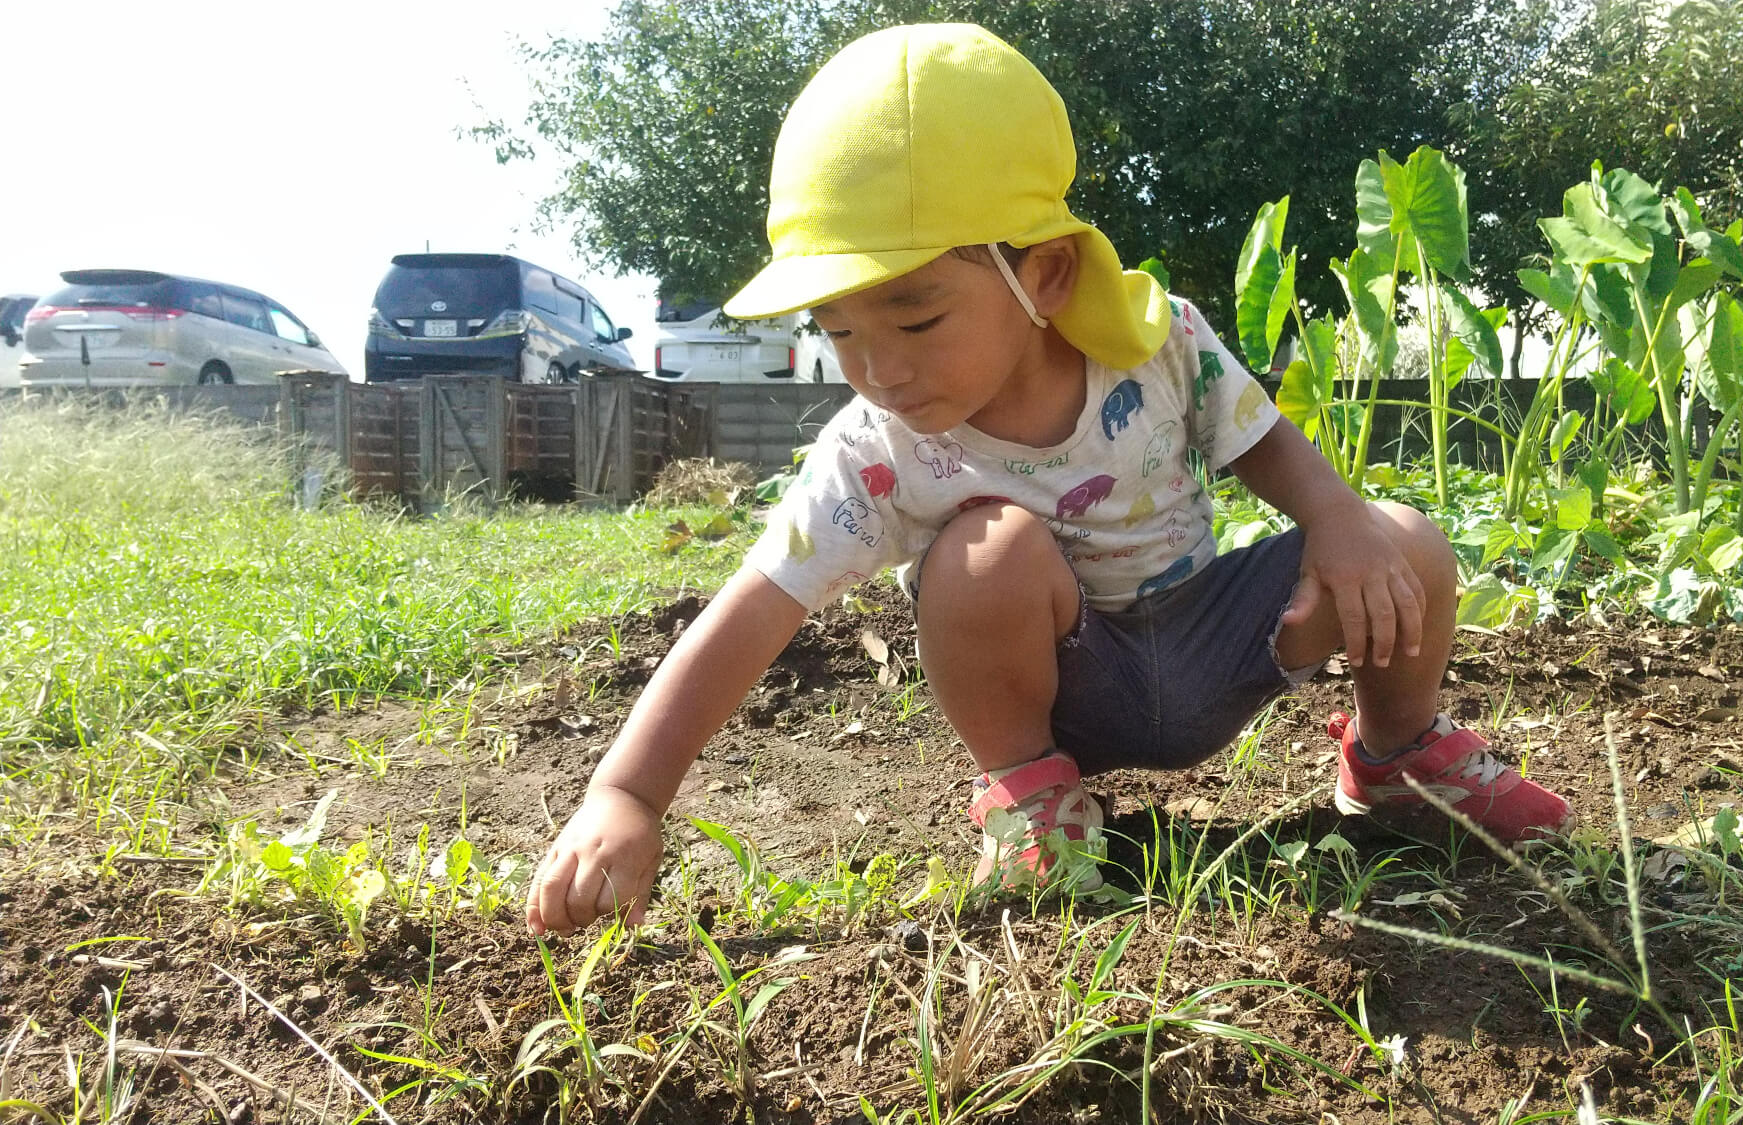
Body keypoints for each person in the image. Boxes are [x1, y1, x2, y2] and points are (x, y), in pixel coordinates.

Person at [524, 22, 1571, 937]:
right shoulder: (875, 450)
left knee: (1401, 541)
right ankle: (1030, 803)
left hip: (1218, 638)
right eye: (836, 329)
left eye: (916, 317)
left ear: (1046, 276)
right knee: (985, 552)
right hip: (1066, 686)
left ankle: (1395, 761)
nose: (879, 367)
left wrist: (1337, 521)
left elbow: (1260, 442)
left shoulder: (1156, 346)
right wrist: (626, 792)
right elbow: (752, 613)